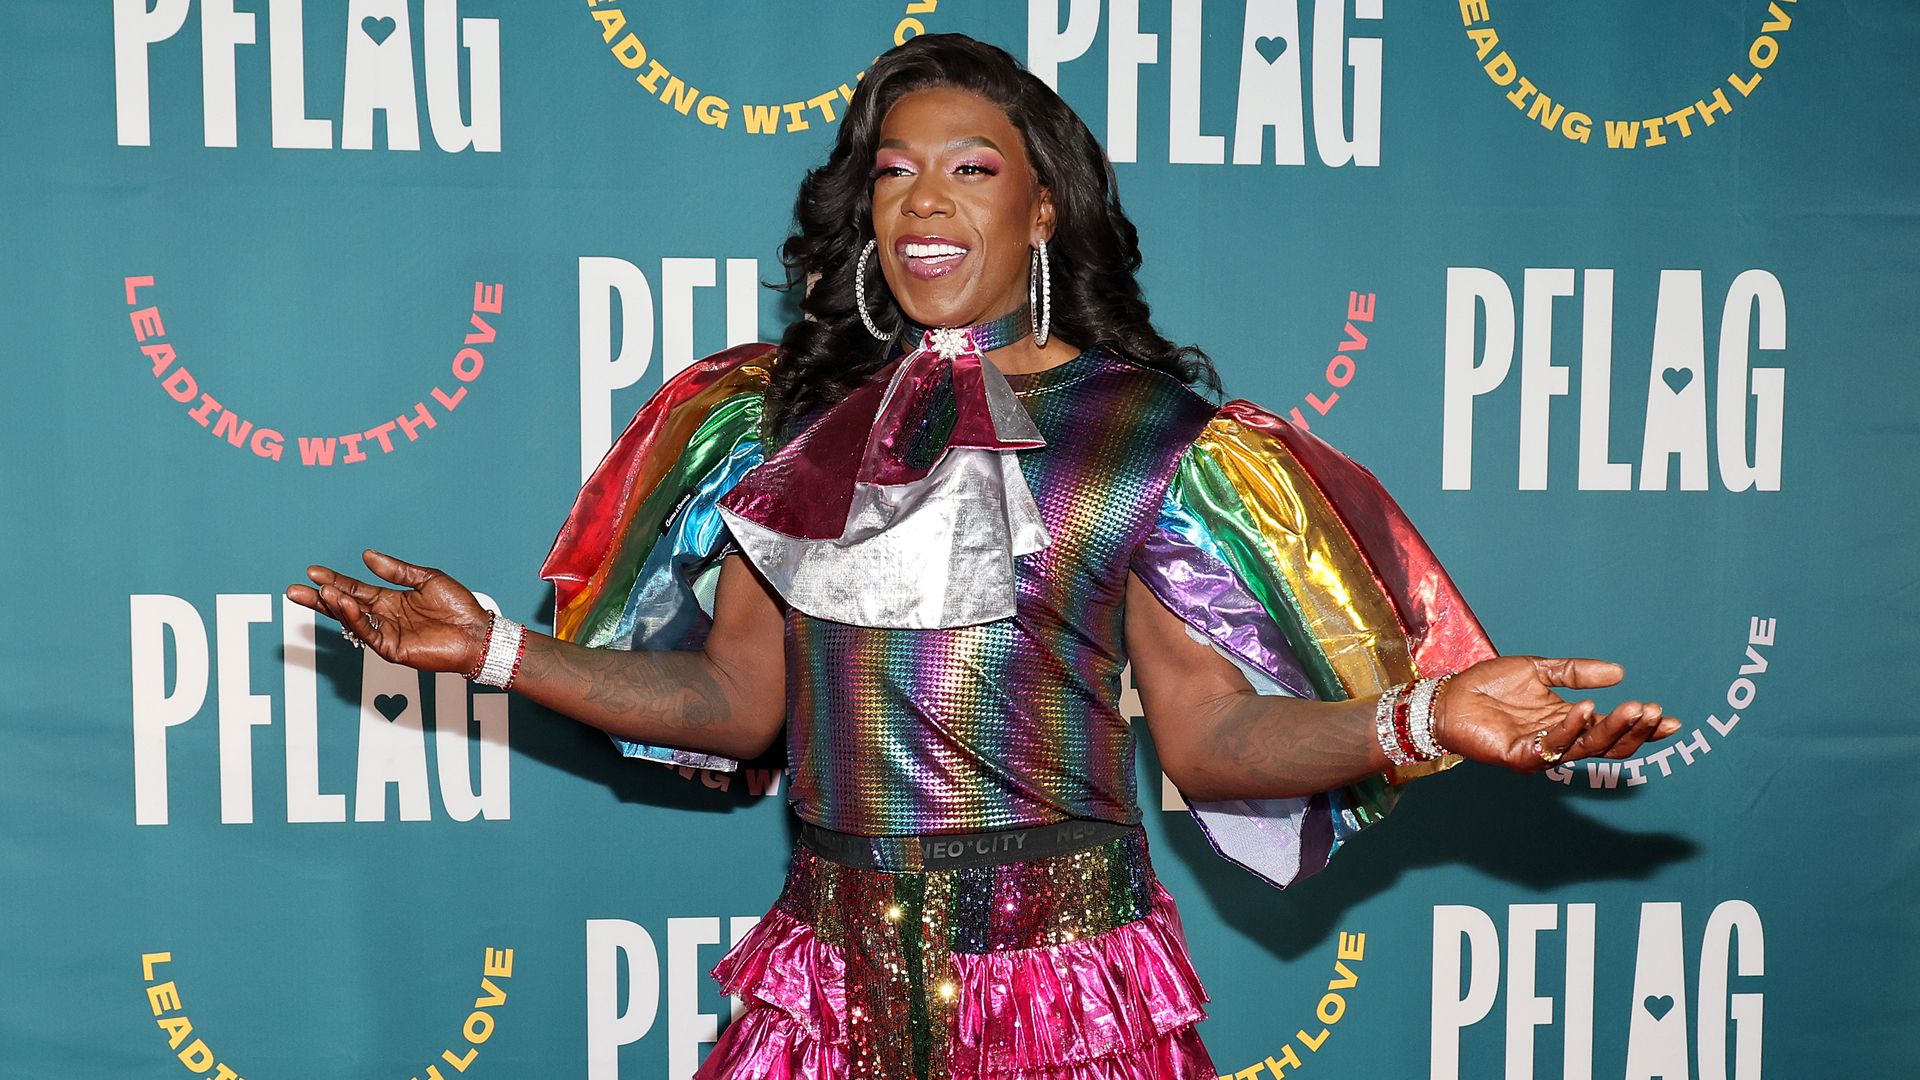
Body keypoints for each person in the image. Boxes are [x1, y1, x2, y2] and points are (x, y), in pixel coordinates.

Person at [288, 33, 1680, 1080]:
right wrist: (495, 650)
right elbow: (738, 705)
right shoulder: (774, 425)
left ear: (1044, 210)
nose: (924, 204)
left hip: (1068, 991)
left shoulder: (1144, 440)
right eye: (894, 174)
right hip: (822, 988)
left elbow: (1210, 740)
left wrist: (1425, 711)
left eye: (971, 169)